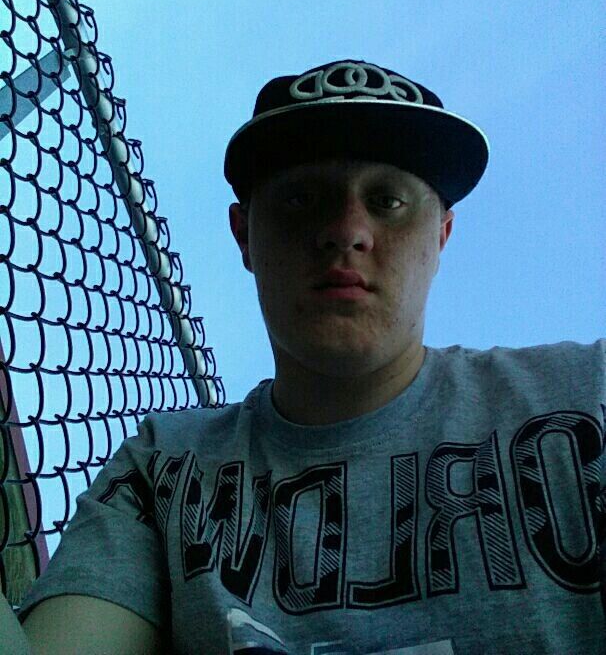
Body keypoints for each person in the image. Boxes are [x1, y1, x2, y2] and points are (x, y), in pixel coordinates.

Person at [3, 59, 605, 653]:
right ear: (244, 235)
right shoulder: (162, 468)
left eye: (388, 200)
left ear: (441, 235)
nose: (346, 230)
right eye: (301, 198)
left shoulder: (587, 396)